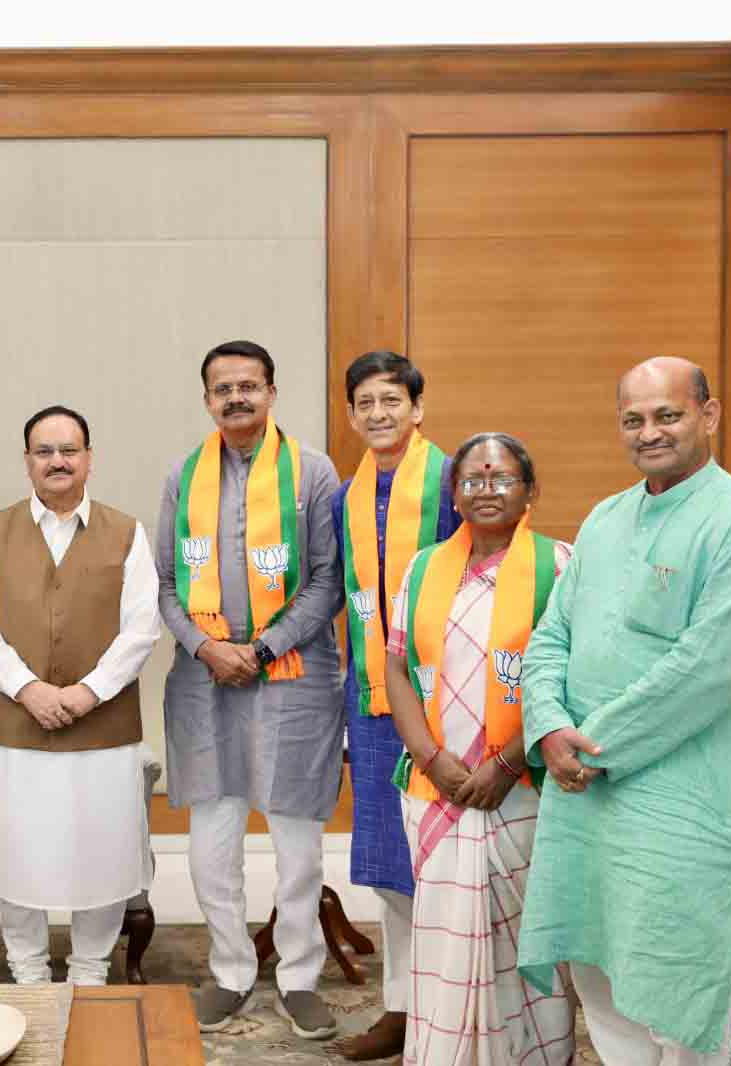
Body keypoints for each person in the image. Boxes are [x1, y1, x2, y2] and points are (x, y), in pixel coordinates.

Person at [518, 357, 731, 1065]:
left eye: (667, 415)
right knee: (599, 979)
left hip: (687, 811)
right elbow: (552, 635)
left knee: (681, 999)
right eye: (634, 420)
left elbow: (708, 669)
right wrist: (548, 724)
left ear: (708, 415)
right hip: (589, 802)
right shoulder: (607, 517)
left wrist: (587, 746)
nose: (650, 432)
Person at [361, 432, 574, 1065]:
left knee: (525, 941)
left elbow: (576, 678)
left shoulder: (561, 565)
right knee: (445, 940)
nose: (486, 490)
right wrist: (431, 757)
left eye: (501, 478)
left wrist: (509, 763)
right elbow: (396, 667)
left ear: (530, 490)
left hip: (525, 787)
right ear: (453, 494)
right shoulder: (423, 568)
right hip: (437, 787)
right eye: (473, 480)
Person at [157, 340, 345, 1040]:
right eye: (222, 388)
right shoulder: (185, 476)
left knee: (297, 839)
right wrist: (208, 646)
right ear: (207, 399)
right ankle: (232, 970)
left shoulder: (313, 473)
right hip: (206, 681)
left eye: (248, 385)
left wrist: (261, 648)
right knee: (212, 837)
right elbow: (166, 583)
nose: (235, 398)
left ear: (271, 391)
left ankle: (299, 975)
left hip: (294, 678)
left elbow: (328, 578)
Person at [0, 404, 160, 985]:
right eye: (44, 452)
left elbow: (142, 626)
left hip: (103, 724)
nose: (57, 461)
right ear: (27, 463)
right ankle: (28, 971)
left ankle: (91, 970)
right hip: (14, 723)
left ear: (89, 459)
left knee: (102, 853)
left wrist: (90, 692)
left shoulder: (127, 531)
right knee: (17, 851)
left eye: (69, 450)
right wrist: (29, 689)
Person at [330, 350, 460, 1060]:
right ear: (352, 414)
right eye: (365, 404)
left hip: (448, 699)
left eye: (391, 401)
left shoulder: (451, 480)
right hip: (375, 699)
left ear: (417, 408)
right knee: (390, 865)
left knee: (449, 862)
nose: (378, 414)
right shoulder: (343, 495)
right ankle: (402, 1009)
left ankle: (452, 1007)